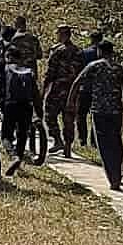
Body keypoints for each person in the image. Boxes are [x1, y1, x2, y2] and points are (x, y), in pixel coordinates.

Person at [71, 40, 123, 191]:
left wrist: (70, 102)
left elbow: (77, 82)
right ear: (112, 52)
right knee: (116, 142)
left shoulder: (94, 66)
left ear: (99, 52)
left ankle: (113, 178)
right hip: (116, 111)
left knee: (104, 145)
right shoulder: (119, 69)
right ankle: (117, 172)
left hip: (99, 111)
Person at [1, 46, 44, 176]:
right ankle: (19, 157)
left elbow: (0, 89)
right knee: (22, 134)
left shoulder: (6, 69)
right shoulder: (29, 72)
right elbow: (36, 95)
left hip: (10, 105)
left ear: (9, 57)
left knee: (6, 136)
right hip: (27, 106)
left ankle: (14, 156)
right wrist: (39, 114)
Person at [42, 25, 84, 156]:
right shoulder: (79, 52)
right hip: (73, 90)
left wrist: (43, 90)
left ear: (62, 34)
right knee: (69, 118)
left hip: (59, 89)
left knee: (50, 115)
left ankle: (58, 139)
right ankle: (67, 145)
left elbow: (50, 73)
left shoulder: (57, 51)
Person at [76, 30, 103, 146]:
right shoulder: (104, 53)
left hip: (85, 88)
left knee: (81, 114)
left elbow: (79, 70)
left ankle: (82, 139)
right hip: (99, 89)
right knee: (95, 115)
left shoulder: (84, 53)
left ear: (91, 39)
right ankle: (94, 140)